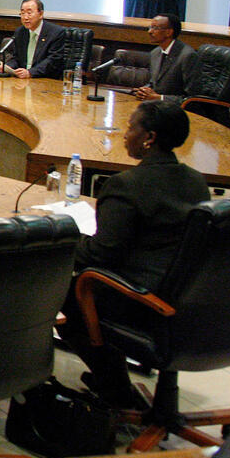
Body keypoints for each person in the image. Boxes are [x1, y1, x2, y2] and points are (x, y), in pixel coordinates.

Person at [59, 100, 210, 410]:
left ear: (149, 138)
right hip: (193, 304)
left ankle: (115, 387)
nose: (125, 135)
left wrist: (65, 239)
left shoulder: (126, 186)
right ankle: (113, 383)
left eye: (130, 128)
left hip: (144, 303)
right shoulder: (197, 182)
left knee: (63, 295)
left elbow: (100, 255)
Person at [132, 13, 196, 102]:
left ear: (169, 32)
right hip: (155, 106)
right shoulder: (155, 53)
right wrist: (144, 91)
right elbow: (154, 84)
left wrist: (160, 98)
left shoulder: (187, 55)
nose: (150, 31)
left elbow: (191, 97)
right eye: (150, 27)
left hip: (174, 108)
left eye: (155, 28)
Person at [2, 0, 68, 79]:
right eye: (22, 13)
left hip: (45, 80)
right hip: (23, 80)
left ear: (41, 14)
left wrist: (31, 72)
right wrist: (8, 67)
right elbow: (16, 58)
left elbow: (53, 60)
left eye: (29, 13)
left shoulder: (56, 32)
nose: (25, 17)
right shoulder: (20, 32)